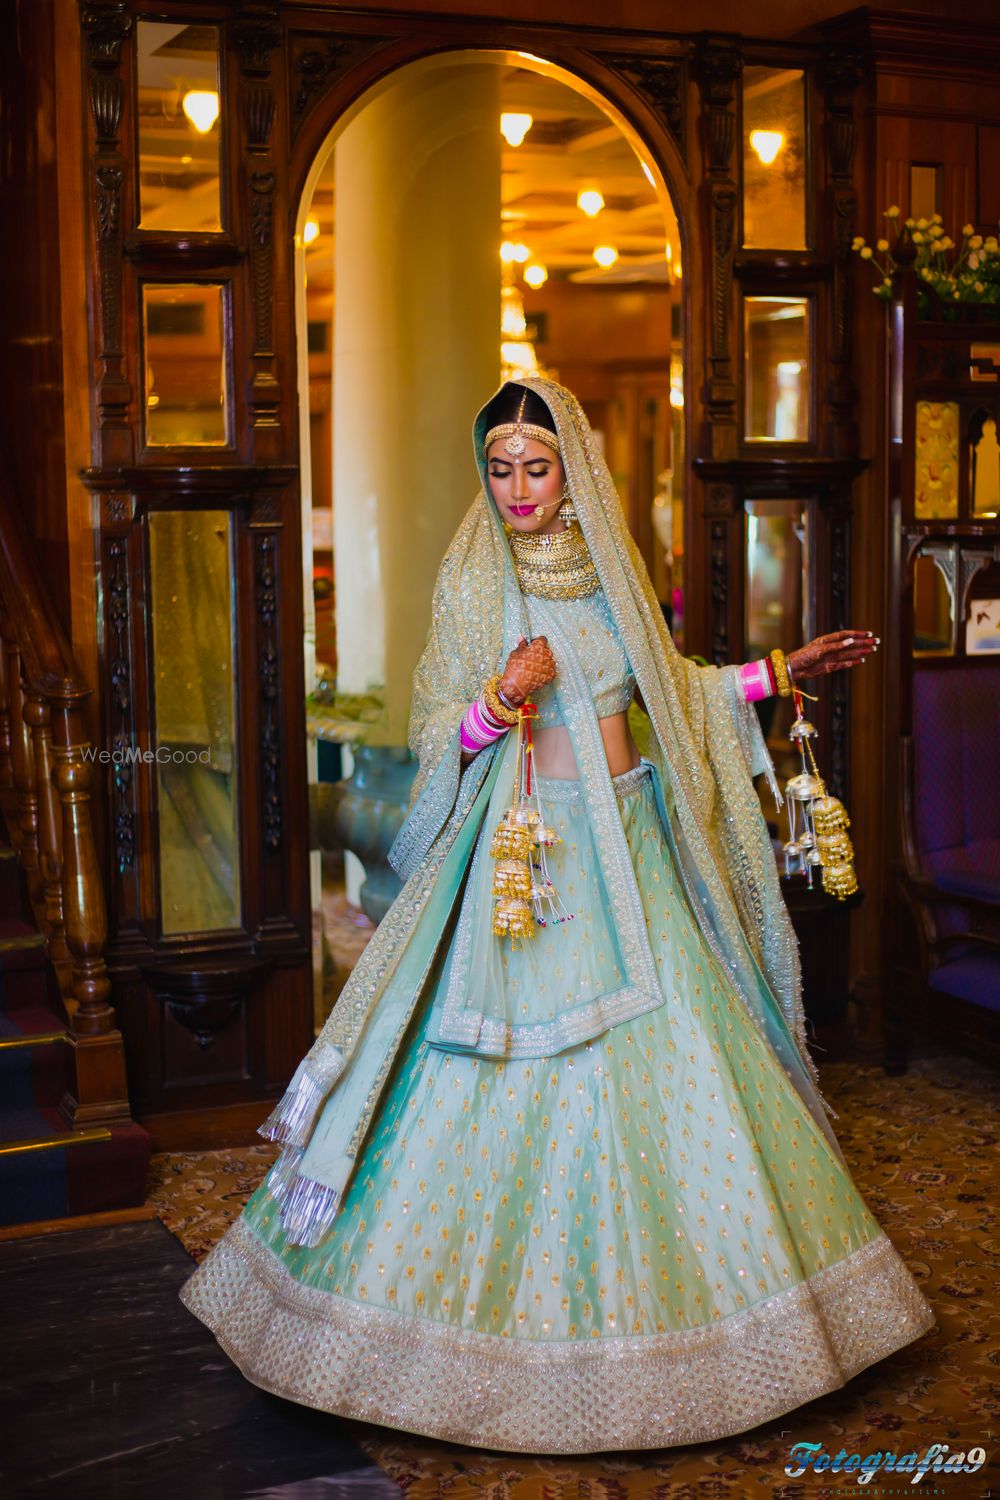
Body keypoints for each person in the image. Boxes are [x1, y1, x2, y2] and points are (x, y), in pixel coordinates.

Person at [181, 377, 934, 1454]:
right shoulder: (474, 582)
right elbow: (436, 722)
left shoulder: (613, 575)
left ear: (572, 469)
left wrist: (774, 673)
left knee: (687, 1060)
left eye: (536, 467)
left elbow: (665, 692)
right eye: (500, 468)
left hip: (635, 855)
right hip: (529, 869)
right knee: (501, 1075)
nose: (518, 489)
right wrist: (495, 700)